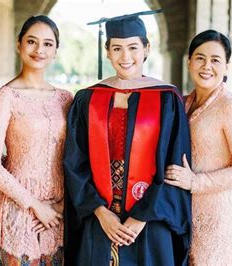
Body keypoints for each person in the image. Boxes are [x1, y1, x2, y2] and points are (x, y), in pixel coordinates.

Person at [63, 10, 192, 265]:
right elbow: (74, 162)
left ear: (146, 48)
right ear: (107, 51)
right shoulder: (87, 98)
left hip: (150, 220)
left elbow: (174, 164)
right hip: (99, 217)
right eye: (117, 48)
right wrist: (99, 212)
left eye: (133, 47)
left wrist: (140, 218)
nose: (125, 57)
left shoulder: (167, 98)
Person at [0, 15, 72, 265]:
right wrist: (35, 206)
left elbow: (76, 157)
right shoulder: (5, 97)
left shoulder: (66, 99)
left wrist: (62, 205)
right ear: (19, 44)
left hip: (58, 210)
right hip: (18, 207)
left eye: (47, 44)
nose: (39, 50)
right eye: (31, 41)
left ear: (55, 51)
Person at [164, 30, 232, 265]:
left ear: (226, 66)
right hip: (181, 212)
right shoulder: (181, 102)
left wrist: (196, 182)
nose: (207, 66)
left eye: (215, 60)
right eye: (200, 58)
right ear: (189, 61)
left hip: (217, 218)